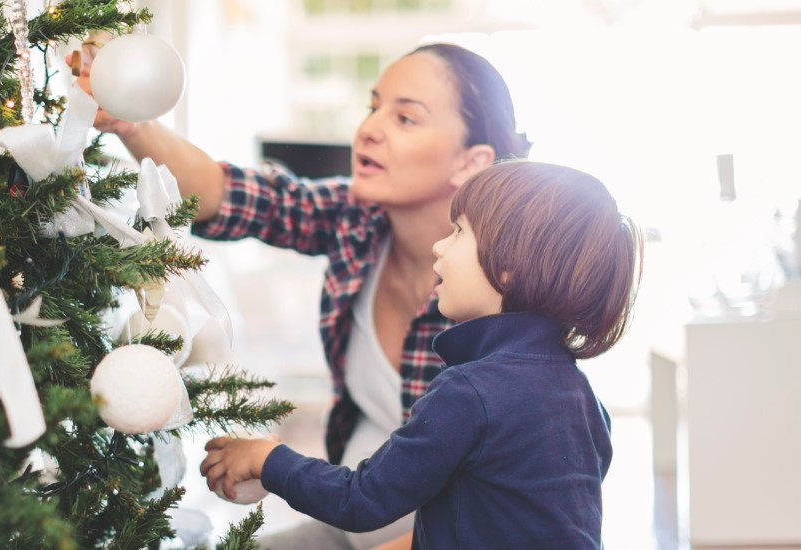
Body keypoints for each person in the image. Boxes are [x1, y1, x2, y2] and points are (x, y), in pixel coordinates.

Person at [75, 40, 531, 548]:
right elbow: (226, 194)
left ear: (472, 161)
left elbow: (496, 514)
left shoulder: (506, 298)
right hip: (348, 517)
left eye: (405, 119)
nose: (370, 130)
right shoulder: (359, 220)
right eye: (373, 107)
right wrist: (131, 123)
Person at [199, 160, 643, 549]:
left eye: (459, 231)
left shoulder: (470, 392)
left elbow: (362, 500)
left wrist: (267, 458)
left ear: (508, 266)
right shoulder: (583, 397)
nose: (439, 245)